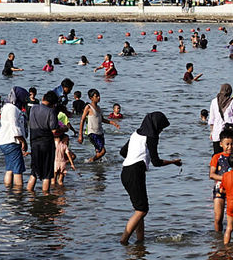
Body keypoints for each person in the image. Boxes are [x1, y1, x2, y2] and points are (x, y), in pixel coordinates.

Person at [119, 112, 182, 245]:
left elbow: (122, 152)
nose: (160, 131)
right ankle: (124, 241)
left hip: (125, 172)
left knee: (139, 209)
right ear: (156, 126)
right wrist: (173, 162)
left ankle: (140, 241)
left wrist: (136, 156)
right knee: (142, 210)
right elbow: (156, 162)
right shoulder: (151, 137)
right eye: (161, 128)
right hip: (135, 173)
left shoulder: (135, 134)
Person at [26, 91, 61, 193]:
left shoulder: (33, 108)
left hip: (34, 143)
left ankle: (30, 196)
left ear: (43, 99)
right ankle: (46, 198)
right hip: (46, 143)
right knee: (47, 173)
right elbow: (54, 130)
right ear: (53, 104)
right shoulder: (51, 112)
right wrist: (63, 129)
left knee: (34, 172)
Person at [0, 87, 28, 186]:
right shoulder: (12, 109)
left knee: (10, 168)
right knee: (18, 170)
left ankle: (8, 192)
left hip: (4, 141)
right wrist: (23, 141)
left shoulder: (6, 106)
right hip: (11, 142)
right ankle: (19, 193)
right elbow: (15, 127)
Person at [78, 88, 120, 162]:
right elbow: (82, 120)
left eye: (99, 96)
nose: (99, 97)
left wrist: (112, 123)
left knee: (99, 153)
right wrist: (80, 135)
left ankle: (97, 170)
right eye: (96, 96)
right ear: (91, 98)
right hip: (92, 133)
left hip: (100, 133)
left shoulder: (99, 108)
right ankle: (90, 160)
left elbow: (102, 119)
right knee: (103, 151)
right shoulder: (88, 107)